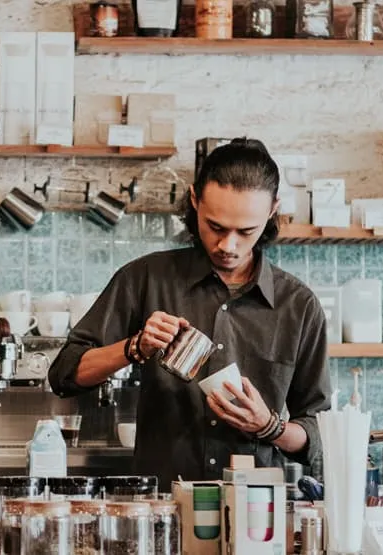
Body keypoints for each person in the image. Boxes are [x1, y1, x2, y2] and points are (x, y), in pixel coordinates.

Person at [47, 138, 332, 486]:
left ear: (272, 210)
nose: (228, 245)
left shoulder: (299, 306)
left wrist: (269, 427)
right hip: (163, 503)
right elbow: (64, 374)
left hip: (253, 511)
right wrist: (134, 347)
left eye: (246, 231)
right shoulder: (145, 279)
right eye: (215, 226)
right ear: (195, 200)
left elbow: (317, 434)